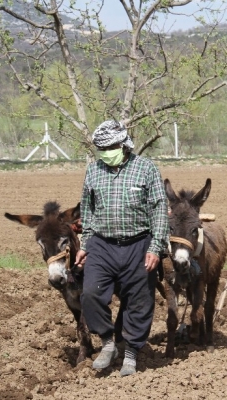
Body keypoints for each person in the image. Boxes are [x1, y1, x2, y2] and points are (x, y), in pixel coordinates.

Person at [75, 120, 168, 376]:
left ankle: (131, 352)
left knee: (139, 300)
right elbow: (88, 211)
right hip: (102, 244)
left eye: (110, 148)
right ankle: (108, 342)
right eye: (101, 149)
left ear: (123, 144)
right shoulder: (93, 171)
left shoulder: (146, 168)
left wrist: (156, 247)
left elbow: (159, 208)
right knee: (90, 294)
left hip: (138, 243)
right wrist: (85, 244)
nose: (106, 153)